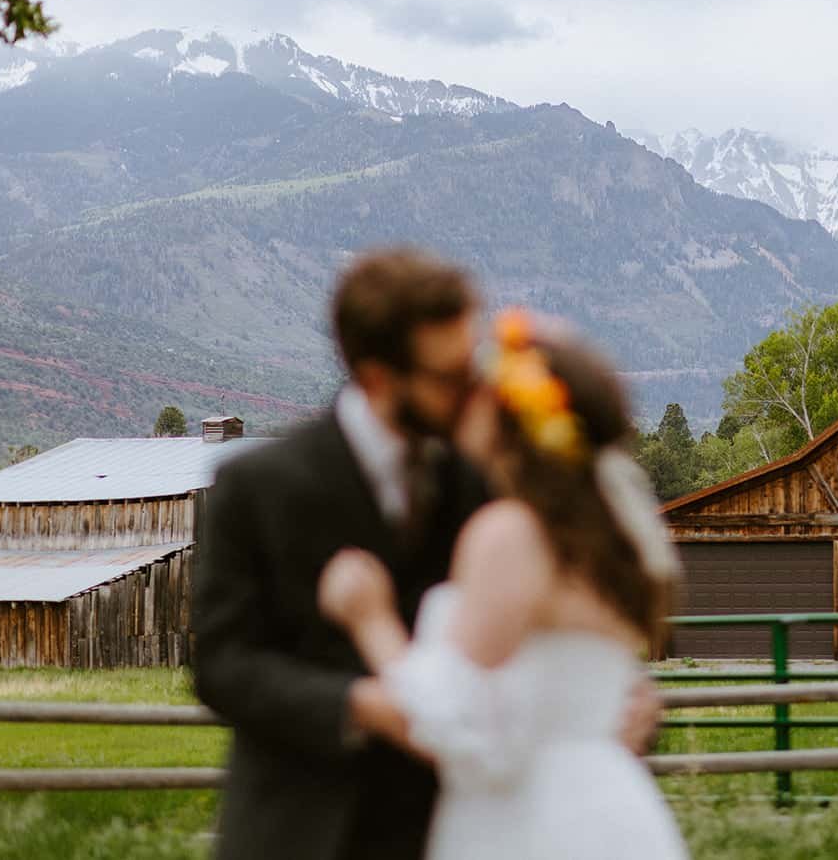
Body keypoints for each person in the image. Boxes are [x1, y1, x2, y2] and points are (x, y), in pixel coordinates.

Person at [191, 250, 660, 860]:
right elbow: (222, 664)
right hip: (305, 829)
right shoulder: (259, 485)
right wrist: (358, 705)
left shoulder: (495, 475)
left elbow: (563, 619)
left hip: (467, 823)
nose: (475, 388)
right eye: (450, 376)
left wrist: (614, 705)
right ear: (380, 377)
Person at [317, 309, 688, 859]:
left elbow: (466, 729)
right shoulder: (615, 539)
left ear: (506, 412)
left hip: (530, 823)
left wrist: (370, 621)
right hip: (617, 810)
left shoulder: (513, 532)